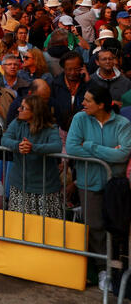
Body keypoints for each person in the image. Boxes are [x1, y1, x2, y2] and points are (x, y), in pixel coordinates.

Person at [65, 86, 131, 292]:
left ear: (101, 105)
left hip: (116, 186)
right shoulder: (80, 119)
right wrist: (108, 152)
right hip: (88, 182)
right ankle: (103, 269)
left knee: (116, 227)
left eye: (88, 100)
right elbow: (73, 148)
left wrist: (90, 146)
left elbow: (123, 155)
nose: (82, 103)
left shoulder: (123, 123)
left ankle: (117, 269)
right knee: (94, 225)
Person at [1, 94, 63, 219]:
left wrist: (33, 147)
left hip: (45, 188)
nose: (18, 109)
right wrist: (18, 145)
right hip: (20, 185)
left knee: (45, 228)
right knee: (20, 226)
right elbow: (5, 139)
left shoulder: (50, 128)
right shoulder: (17, 122)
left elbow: (57, 146)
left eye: (23, 108)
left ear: (35, 112)